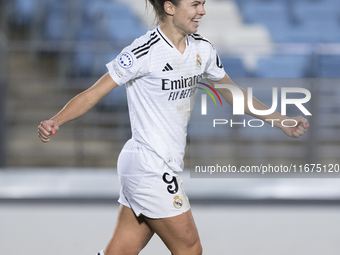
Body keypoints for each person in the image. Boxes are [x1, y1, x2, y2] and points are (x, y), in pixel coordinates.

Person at [38, 0, 309, 254]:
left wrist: (281, 120)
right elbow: (93, 93)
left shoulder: (203, 49)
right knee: (191, 249)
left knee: (120, 251)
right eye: (194, 4)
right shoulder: (142, 51)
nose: (202, 11)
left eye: (202, 3)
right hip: (150, 163)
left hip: (155, 164)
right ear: (169, 7)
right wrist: (56, 120)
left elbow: (232, 92)